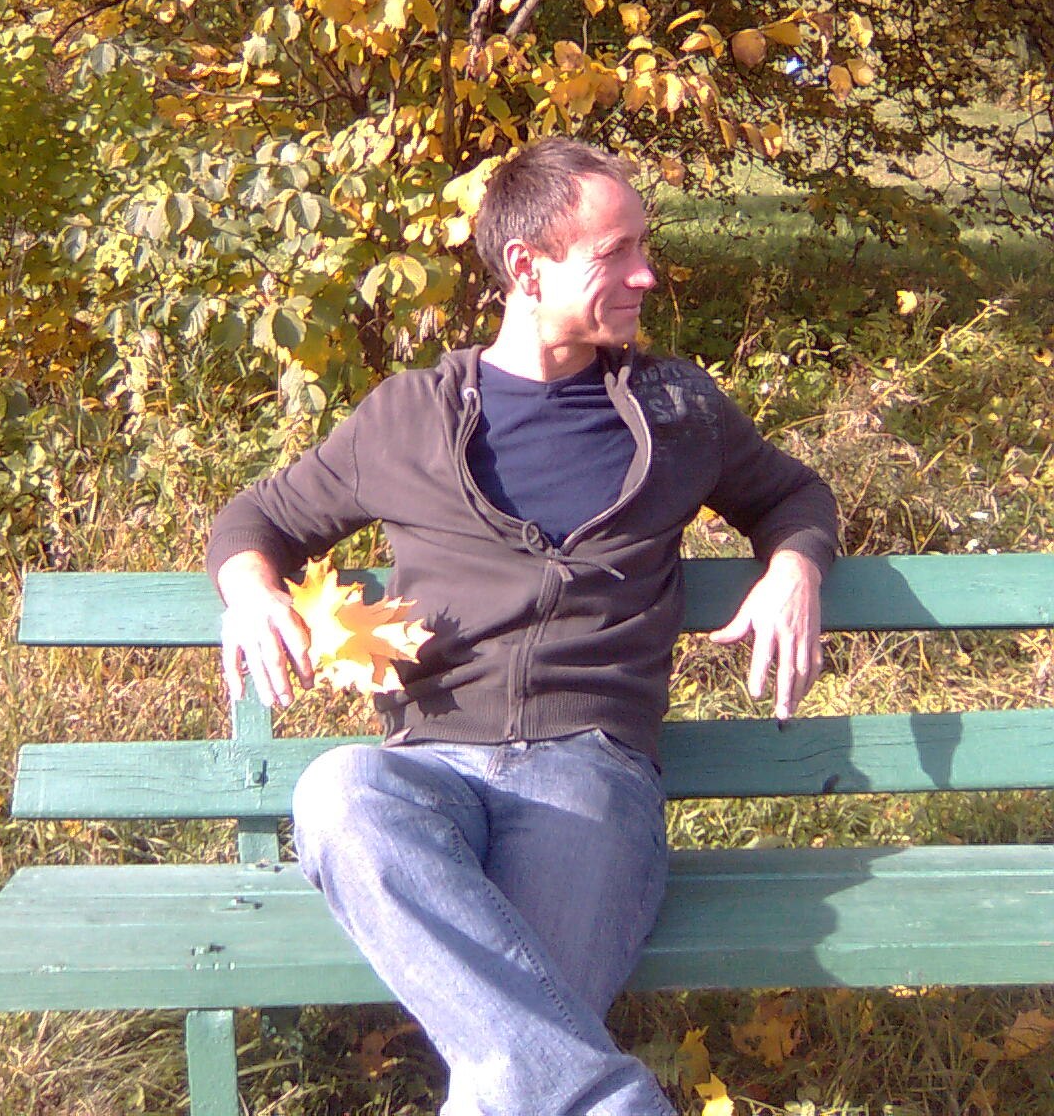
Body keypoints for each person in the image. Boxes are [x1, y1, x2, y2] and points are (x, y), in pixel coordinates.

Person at [207, 137, 838, 1116]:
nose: (647, 273)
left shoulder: (677, 410)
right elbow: (261, 518)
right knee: (337, 787)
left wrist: (795, 566)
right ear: (528, 268)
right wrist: (250, 590)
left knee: (511, 1071)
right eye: (617, 251)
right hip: (427, 776)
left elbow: (792, 494)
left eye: (644, 246)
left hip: (589, 779)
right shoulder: (409, 416)